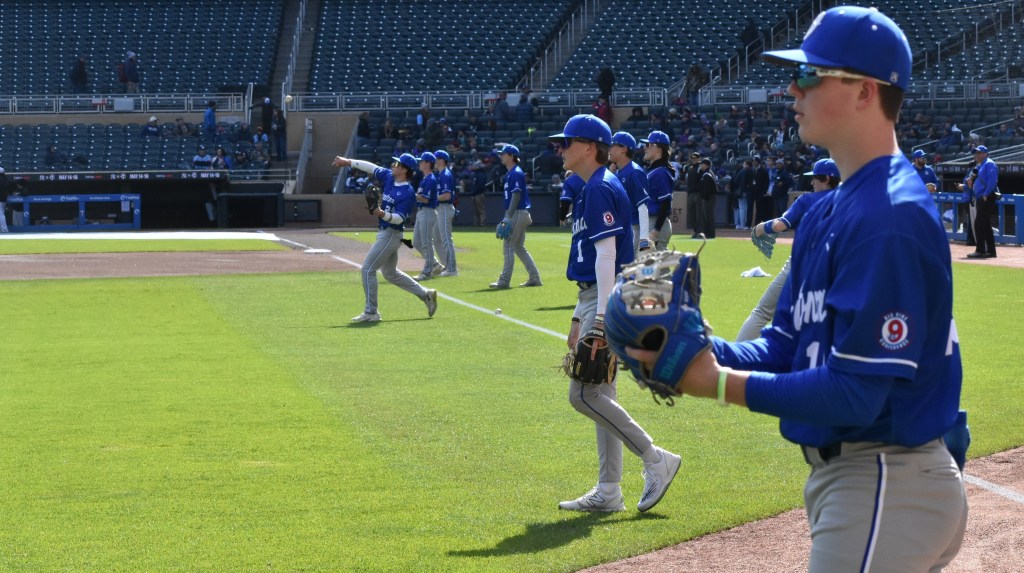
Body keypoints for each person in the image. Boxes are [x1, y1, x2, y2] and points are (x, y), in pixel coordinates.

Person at [624, 7, 967, 570]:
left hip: (887, 479)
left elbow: (857, 393)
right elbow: (785, 346)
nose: (792, 88)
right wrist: (695, 351)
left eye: (810, 74)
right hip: (858, 481)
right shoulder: (826, 211)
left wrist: (717, 383)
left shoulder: (890, 213)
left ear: (864, 90)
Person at [549, 114, 680, 513]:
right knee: (601, 392)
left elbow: (607, 256)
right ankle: (609, 490)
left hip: (608, 298)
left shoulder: (600, 187)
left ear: (590, 147)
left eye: (568, 142)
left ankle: (655, 457)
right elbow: (593, 260)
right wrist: (579, 316)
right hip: (595, 295)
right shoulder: (594, 186)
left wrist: (601, 317)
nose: (561, 148)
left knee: (583, 394)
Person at [736, 158, 840, 341]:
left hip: (801, 264)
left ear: (826, 179)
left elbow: (780, 225)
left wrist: (761, 227)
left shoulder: (807, 199)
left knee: (762, 312)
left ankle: (736, 353)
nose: (812, 182)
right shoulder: (850, 200)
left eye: (815, 178)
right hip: (837, 267)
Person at [331, 153, 438, 323]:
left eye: (396, 164)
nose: (392, 165)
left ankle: (371, 312)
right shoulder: (389, 176)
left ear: (404, 170)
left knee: (367, 269)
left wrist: (381, 213)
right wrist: (349, 162)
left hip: (391, 234)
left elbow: (400, 218)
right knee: (390, 273)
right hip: (385, 232)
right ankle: (426, 295)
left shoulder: (408, 192)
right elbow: (371, 167)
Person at [491, 144, 541, 289]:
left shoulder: (516, 173)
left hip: (517, 212)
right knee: (519, 247)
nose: (501, 156)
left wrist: (508, 216)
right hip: (517, 213)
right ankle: (534, 277)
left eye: (503, 154)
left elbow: (516, 196)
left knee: (508, 246)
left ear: (511, 156)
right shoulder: (511, 173)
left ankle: (504, 280)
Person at [608, 131, 651, 256]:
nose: (609, 149)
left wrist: (644, 239)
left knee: (630, 265)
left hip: (634, 228)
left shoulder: (634, 172)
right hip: (622, 227)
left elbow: (643, 207)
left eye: (613, 145)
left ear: (624, 149)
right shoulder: (618, 173)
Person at [640, 131, 675, 250]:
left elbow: (666, 203)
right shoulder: (652, 170)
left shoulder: (661, 172)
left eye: (648, 145)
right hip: (649, 222)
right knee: (646, 260)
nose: (645, 148)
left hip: (655, 223)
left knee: (653, 261)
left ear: (658, 149)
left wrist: (656, 229)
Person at [963, 145, 999, 258]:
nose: (976, 155)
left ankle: (980, 250)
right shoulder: (979, 165)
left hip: (986, 197)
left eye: (979, 153)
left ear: (985, 154)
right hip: (980, 197)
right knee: (986, 224)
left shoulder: (989, 163)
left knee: (979, 223)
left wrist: (985, 195)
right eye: (975, 153)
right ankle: (991, 251)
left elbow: (993, 181)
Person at [413, 152, 444, 281]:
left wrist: (412, 194)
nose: (419, 163)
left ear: (427, 163)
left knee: (426, 243)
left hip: (427, 211)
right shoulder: (425, 178)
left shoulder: (431, 179)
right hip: (421, 212)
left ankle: (427, 271)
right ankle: (435, 264)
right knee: (416, 242)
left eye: (421, 161)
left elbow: (425, 199)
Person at [433, 150, 458, 276]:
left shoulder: (445, 175)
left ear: (441, 160)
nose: (434, 161)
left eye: (436, 158)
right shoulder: (440, 174)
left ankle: (452, 269)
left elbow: (447, 196)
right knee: (436, 239)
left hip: (444, 208)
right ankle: (446, 265)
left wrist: (433, 199)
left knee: (446, 239)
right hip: (440, 208)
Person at [694, 157, 718, 238]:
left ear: (705, 165)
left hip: (709, 197)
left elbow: (707, 188)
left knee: (708, 215)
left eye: (702, 164)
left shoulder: (707, 174)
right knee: (707, 215)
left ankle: (710, 234)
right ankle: (708, 233)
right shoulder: (706, 173)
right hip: (709, 197)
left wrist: (704, 197)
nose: (700, 165)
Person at [732, 159, 754, 229]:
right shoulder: (750, 171)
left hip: (740, 192)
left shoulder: (741, 171)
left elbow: (735, 181)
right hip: (746, 191)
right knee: (745, 208)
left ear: (747, 164)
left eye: (744, 164)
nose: (743, 165)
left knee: (741, 208)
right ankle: (744, 225)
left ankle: (740, 224)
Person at [0, 167, 8, 233]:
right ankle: (3, 229)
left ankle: (4, 229)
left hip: (0, 199)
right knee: (1, 213)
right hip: (3, 199)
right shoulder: (5, 178)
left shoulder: (1, 179)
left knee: (1, 214)